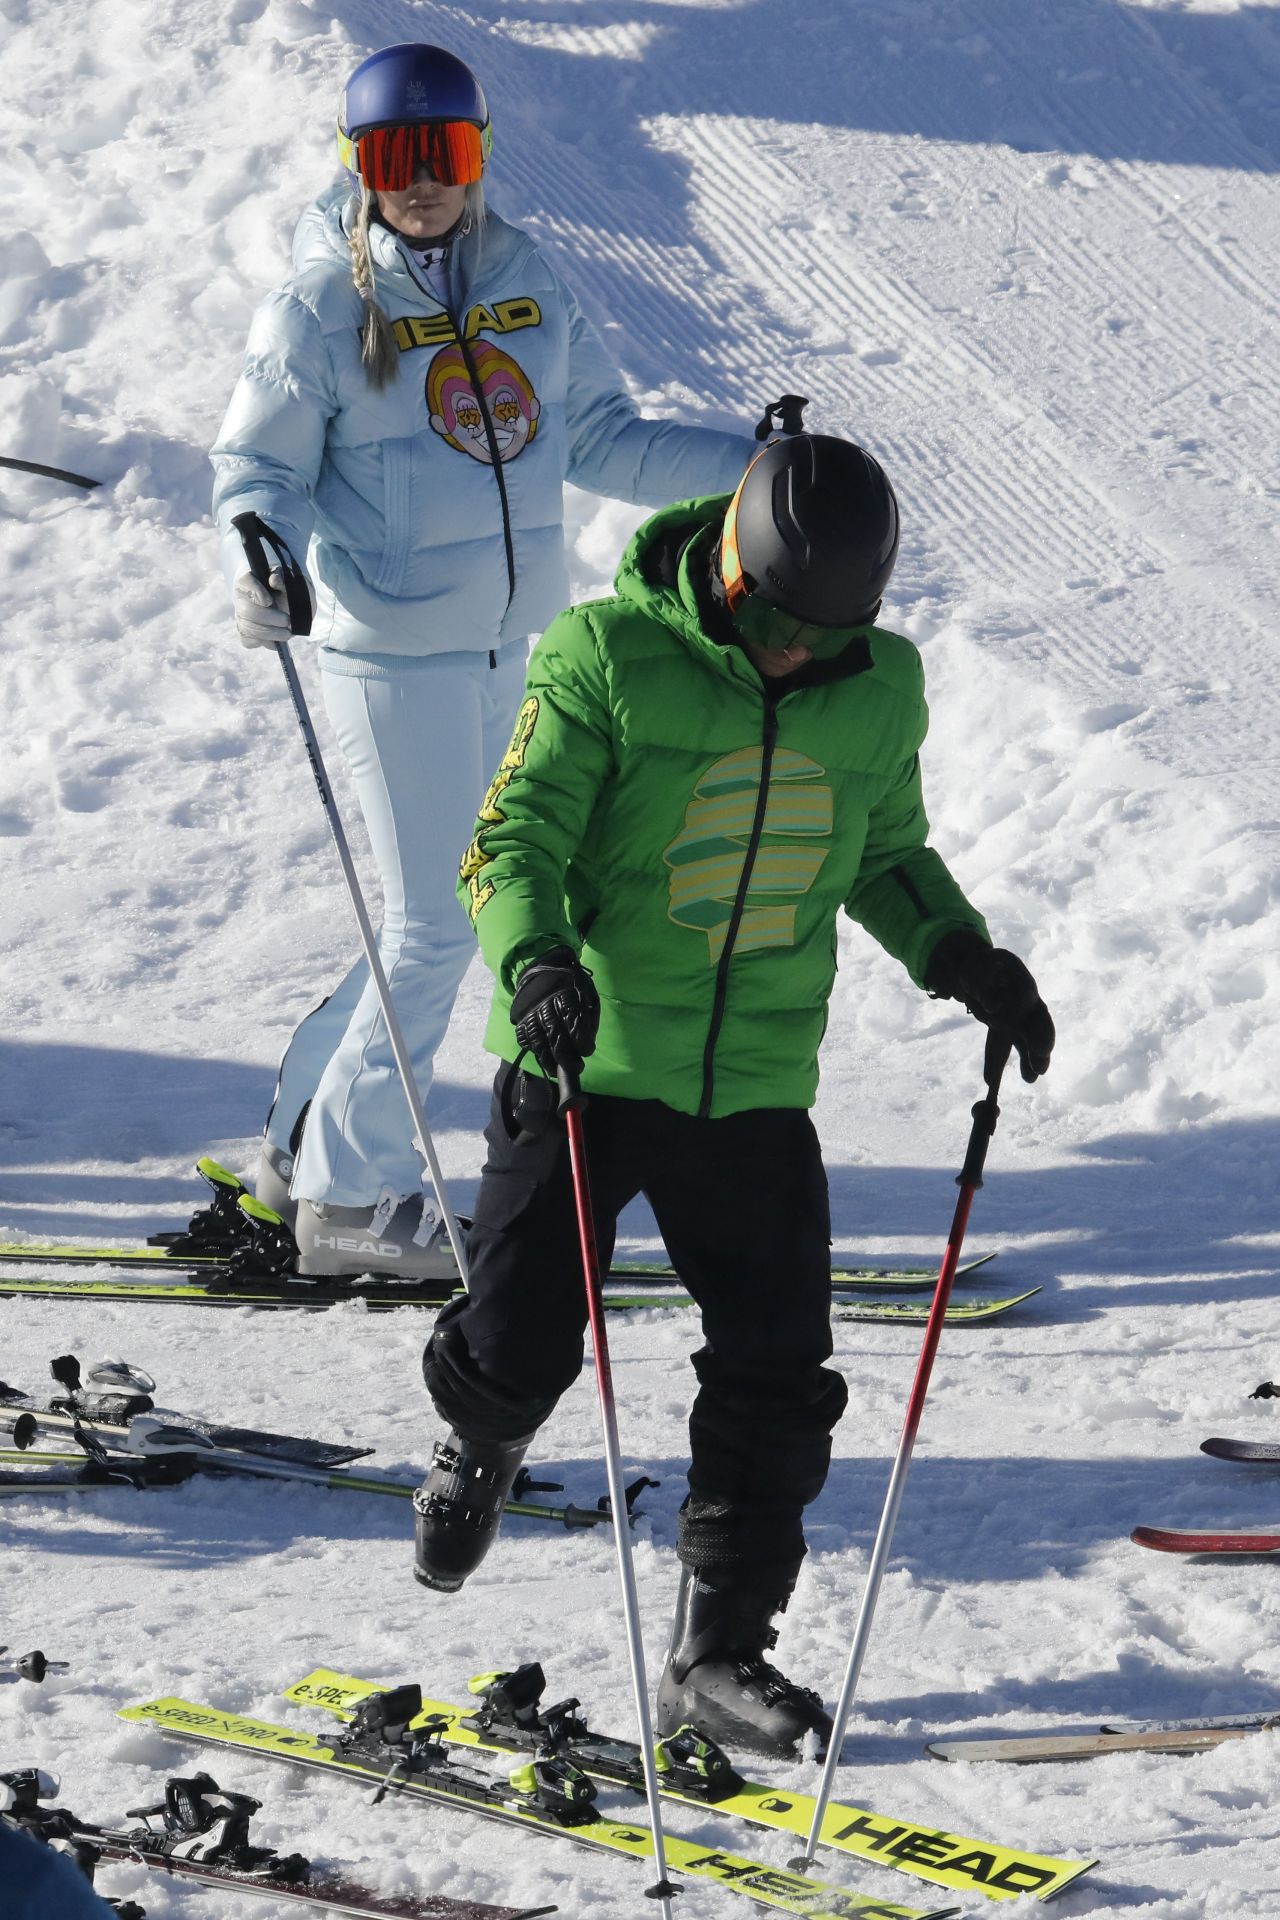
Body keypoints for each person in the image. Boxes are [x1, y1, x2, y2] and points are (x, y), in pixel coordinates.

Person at [414, 432, 1055, 1757]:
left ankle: (717, 1654)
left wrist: (964, 956)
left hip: (757, 1083)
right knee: (521, 1345)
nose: (793, 661)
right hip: (586, 1058)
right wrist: (537, 964)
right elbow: (511, 839)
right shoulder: (606, 658)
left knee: (776, 1374)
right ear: (732, 567)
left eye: (824, 641)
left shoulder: (877, 690)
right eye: (776, 630)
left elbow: (885, 851)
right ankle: (478, 1444)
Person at [210, 42, 755, 1277]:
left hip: (512, 644)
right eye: (394, 160)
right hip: (388, 653)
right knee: (437, 925)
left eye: (442, 155)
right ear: (358, 165)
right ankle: (348, 1208)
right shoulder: (320, 307)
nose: (421, 185)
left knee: (420, 921)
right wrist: (265, 559)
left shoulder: (526, 277)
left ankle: (303, 1146)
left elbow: (604, 441)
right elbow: (259, 472)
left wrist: (750, 466)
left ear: (480, 153)